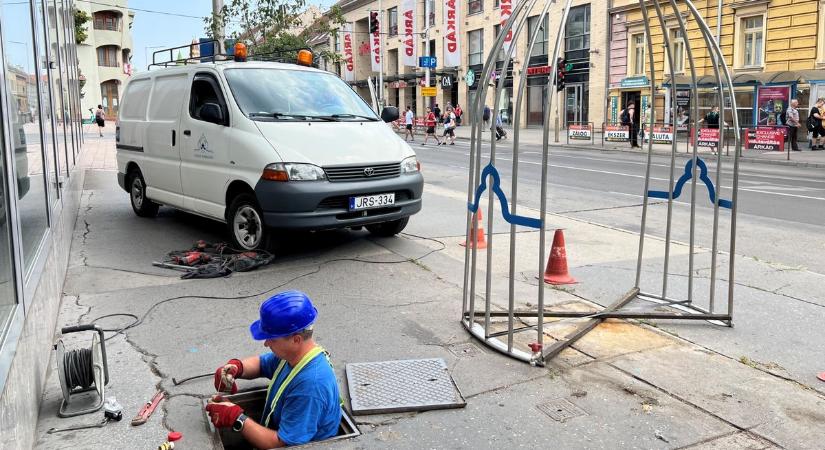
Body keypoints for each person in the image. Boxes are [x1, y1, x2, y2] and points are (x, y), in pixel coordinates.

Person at [205, 291, 341, 448]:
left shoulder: (310, 386)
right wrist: (238, 367)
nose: (266, 343)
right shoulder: (295, 354)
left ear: (296, 339)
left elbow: (283, 444)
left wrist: (237, 419)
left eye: (272, 339)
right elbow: (262, 364)